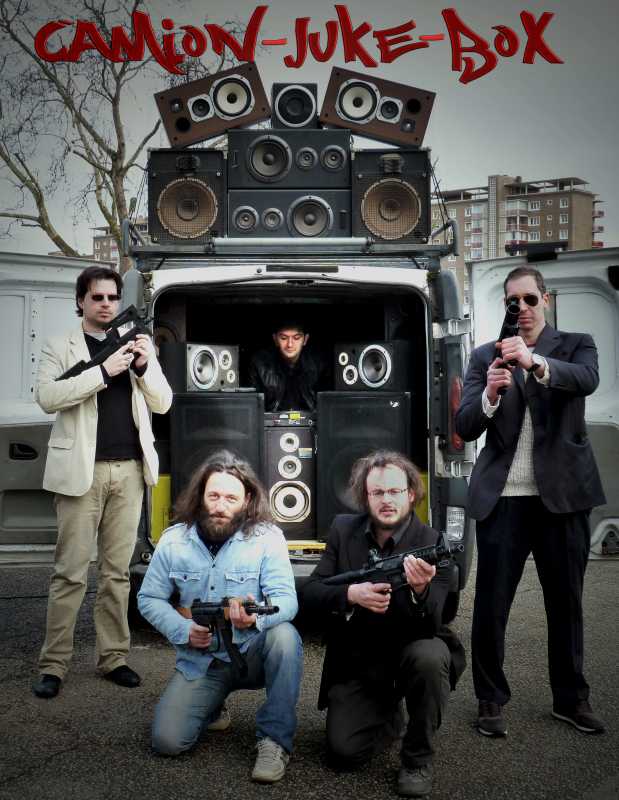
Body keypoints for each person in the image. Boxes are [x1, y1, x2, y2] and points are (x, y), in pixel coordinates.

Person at [455, 265, 606, 738]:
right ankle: (490, 699)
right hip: (504, 498)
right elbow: (465, 425)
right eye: (512, 301)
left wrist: (534, 362)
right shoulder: (485, 355)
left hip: (562, 498)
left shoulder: (576, 345)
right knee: (491, 605)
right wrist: (490, 395)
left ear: (546, 300)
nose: (520, 308)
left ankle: (571, 699)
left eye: (529, 299)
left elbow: (586, 380)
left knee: (566, 604)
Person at [32, 266, 173, 700]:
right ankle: (53, 665)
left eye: (112, 297)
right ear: (81, 301)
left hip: (129, 471)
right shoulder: (60, 345)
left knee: (117, 574)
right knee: (70, 574)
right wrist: (103, 371)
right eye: (97, 297)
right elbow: (47, 397)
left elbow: (163, 403)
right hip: (82, 472)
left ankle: (113, 657)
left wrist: (144, 366)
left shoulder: (135, 343)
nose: (107, 304)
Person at [300, 451, 465, 799]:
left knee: (430, 657)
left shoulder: (432, 544)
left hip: (412, 650)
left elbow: (436, 619)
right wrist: (351, 594)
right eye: (377, 492)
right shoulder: (343, 530)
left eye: (394, 491)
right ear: (366, 497)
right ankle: (389, 715)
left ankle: (417, 758)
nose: (386, 500)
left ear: (411, 494)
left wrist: (420, 591)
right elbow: (311, 592)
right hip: (360, 660)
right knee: (344, 753)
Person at [137, 450, 303, 784]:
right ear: (200, 495)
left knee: (285, 637)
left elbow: (287, 601)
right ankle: (213, 707)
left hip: (250, 654)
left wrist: (254, 619)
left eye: (231, 498)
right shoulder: (173, 541)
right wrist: (183, 629)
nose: (220, 505)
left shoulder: (267, 538)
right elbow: (149, 598)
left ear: (247, 500)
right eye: (213, 496)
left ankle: (275, 740)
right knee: (167, 742)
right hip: (203, 662)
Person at [248, 319, 329, 411]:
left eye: (296, 338)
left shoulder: (318, 364)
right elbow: (252, 408)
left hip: (311, 420)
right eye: (284, 338)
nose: (290, 344)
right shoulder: (260, 364)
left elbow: (327, 406)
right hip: (270, 420)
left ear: (305, 340)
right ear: (275, 339)